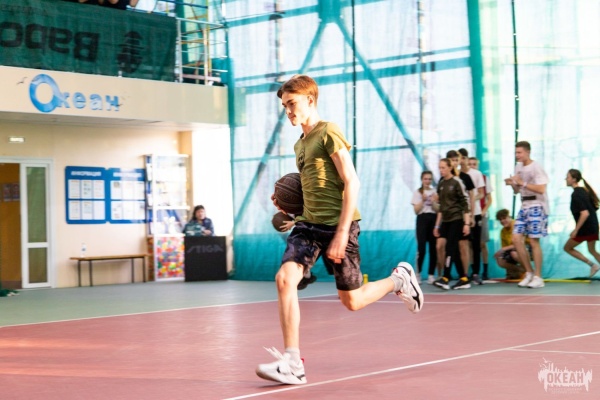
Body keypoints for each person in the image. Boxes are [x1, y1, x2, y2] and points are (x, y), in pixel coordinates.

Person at [256, 75, 423, 385]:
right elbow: (314, 190)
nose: (288, 111)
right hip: (308, 227)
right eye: (284, 106)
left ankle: (399, 280)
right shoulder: (300, 144)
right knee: (284, 279)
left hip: (339, 227)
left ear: (309, 100)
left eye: (292, 104)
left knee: (353, 301)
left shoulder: (328, 132)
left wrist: (343, 232)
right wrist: (291, 209)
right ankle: (292, 362)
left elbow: (351, 182)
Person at [504, 141, 548, 288]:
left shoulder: (536, 167)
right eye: (516, 152)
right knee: (516, 239)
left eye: (520, 152)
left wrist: (522, 183)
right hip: (524, 205)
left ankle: (538, 277)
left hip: (537, 205)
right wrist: (513, 184)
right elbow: (517, 191)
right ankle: (529, 272)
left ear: (527, 152)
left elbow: (541, 189)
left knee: (534, 241)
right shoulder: (518, 167)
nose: (517, 155)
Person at [433, 158, 471, 290]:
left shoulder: (457, 182)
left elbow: (465, 203)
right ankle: (464, 279)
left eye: (443, 167)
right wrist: (437, 226)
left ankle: (445, 278)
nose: (441, 170)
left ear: (450, 167)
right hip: (445, 220)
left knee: (450, 248)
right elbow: (441, 207)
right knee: (452, 250)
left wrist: (466, 223)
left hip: (457, 219)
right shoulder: (441, 184)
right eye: (439, 168)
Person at [564, 169, 600, 276]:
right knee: (592, 250)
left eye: (568, 177)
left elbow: (585, 213)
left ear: (574, 179)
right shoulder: (584, 191)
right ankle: (594, 266)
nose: (566, 179)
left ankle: (592, 265)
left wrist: (576, 230)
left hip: (586, 228)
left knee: (567, 248)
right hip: (593, 226)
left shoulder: (576, 194)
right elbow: (593, 209)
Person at [445, 150, 474, 284]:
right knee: (448, 246)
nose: (455, 163)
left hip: (462, 217)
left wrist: (470, 217)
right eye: (452, 160)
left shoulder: (464, 178)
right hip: (449, 219)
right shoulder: (444, 180)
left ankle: (464, 276)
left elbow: (470, 198)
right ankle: (448, 275)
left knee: (463, 245)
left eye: (456, 160)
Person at [458, 149, 485, 284]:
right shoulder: (457, 174)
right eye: (458, 158)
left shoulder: (476, 174)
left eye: (462, 158)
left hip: (476, 213)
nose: (460, 161)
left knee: (476, 244)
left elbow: (481, 193)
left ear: (466, 159)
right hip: (462, 214)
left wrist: (471, 199)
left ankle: (476, 273)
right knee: (464, 245)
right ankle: (465, 273)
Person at [411, 171, 439, 283]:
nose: (427, 181)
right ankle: (418, 274)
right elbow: (416, 211)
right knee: (421, 249)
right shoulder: (417, 192)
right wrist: (422, 200)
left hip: (433, 219)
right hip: (422, 220)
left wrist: (434, 202)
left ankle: (431, 275)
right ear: (422, 180)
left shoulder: (435, 192)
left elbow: (437, 210)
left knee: (433, 248)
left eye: (429, 179)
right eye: (425, 179)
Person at [469, 156, 493, 280]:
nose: (472, 166)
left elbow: (489, 199)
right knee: (470, 244)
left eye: (474, 164)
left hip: (481, 214)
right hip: (469, 214)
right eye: (470, 164)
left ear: (477, 166)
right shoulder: (465, 178)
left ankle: (485, 270)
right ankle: (474, 271)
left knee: (482, 243)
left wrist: (483, 211)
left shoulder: (483, 178)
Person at [494, 209, 527, 279]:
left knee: (514, 253)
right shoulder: (503, 231)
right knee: (499, 258)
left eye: (504, 218)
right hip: (512, 250)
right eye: (500, 220)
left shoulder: (517, 226)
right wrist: (500, 253)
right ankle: (519, 270)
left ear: (509, 217)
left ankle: (528, 271)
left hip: (526, 248)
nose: (502, 221)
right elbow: (505, 250)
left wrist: (503, 249)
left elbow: (520, 244)